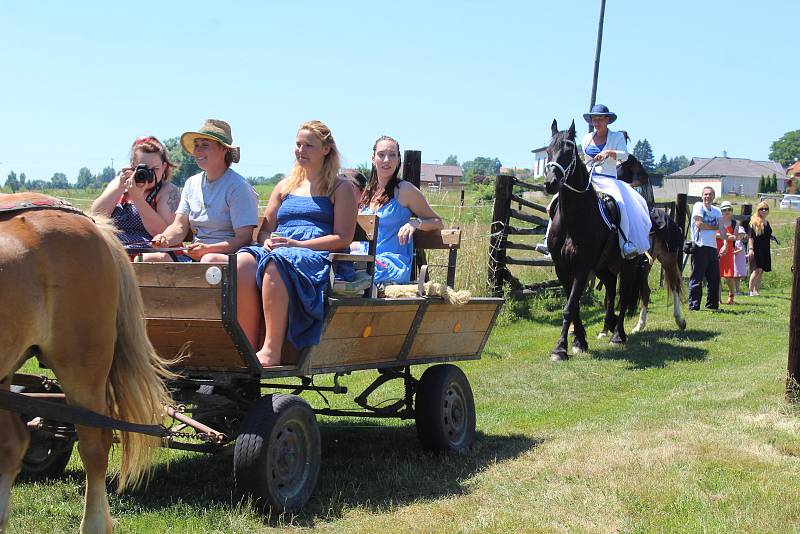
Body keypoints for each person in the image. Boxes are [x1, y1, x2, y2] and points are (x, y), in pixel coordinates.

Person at [236, 120, 357, 367]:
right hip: (282, 249)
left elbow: (343, 238)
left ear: (326, 149)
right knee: (242, 262)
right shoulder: (284, 186)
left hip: (319, 254)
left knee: (275, 263)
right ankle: (246, 344)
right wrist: (267, 241)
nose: (301, 150)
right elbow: (266, 230)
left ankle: (272, 349)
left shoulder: (340, 187)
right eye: (298, 144)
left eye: (308, 145)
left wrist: (298, 245)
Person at [150, 119, 259, 263]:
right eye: (196, 145)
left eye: (205, 145)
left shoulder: (238, 186)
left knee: (209, 260)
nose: (198, 150)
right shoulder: (191, 183)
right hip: (198, 256)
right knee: (153, 258)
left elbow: (243, 238)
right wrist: (164, 238)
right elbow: (180, 226)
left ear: (224, 149)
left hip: (229, 259)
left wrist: (208, 249)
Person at [358, 135, 443, 285]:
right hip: (366, 260)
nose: (386, 160)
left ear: (398, 160)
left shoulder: (404, 190)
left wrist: (415, 223)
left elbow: (438, 223)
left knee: (356, 269)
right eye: (381, 155)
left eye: (392, 155)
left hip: (391, 264)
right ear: (373, 158)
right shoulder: (367, 193)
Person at [580, 104, 651, 258]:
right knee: (559, 199)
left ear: (607, 120)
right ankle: (549, 240)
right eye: (594, 119)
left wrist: (609, 152)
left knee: (620, 204)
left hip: (608, 179)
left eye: (600, 119)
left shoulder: (617, 137)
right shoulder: (586, 138)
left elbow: (624, 156)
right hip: (588, 178)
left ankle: (626, 243)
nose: (597, 122)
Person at [91, 136, 180, 257]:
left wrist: (138, 199)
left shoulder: (168, 190)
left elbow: (163, 233)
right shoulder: (120, 183)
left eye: (156, 169)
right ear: (133, 166)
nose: (149, 174)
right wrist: (120, 188)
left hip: (152, 254)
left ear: (164, 167)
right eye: (143, 168)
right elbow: (96, 217)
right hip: (117, 252)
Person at [688, 186, 732, 311]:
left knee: (714, 278)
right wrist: (715, 227)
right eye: (706, 194)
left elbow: (722, 229)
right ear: (702, 196)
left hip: (712, 248)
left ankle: (712, 305)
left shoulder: (717, 211)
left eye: (710, 194)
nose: (708, 196)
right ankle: (694, 305)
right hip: (700, 246)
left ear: (714, 197)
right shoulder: (698, 206)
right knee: (697, 277)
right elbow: (699, 224)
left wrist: (725, 244)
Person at [747, 201, 773, 296]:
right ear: (758, 210)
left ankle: (756, 290)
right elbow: (751, 237)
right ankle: (750, 291)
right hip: (756, 249)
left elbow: (767, 234)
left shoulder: (767, 222)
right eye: (762, 209)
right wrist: (750, 249)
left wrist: (772, 237)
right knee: (756, 269)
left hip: (765, 249)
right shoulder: (753, 222)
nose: (764, 210)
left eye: (766, 209)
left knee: (761, 270)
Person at [716, 200, 737, 304]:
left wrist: (726, 236)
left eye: (729, 209)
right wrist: (726, 235)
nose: (727, 211)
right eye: (724, 210)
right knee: (717, 275)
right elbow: (714, 235)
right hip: (717, 250)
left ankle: (731, 295)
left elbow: (735, 238)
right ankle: (718, 298)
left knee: (729, 277)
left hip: (728, 252)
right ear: (721, 211)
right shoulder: (717, 221)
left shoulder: (734, 223)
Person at [733, 225, 748, 295]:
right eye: (739, 234)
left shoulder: (741, 242)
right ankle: (736, 291)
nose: (741, 235)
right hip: (736, 262)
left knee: (738, 277)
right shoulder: (736, 242)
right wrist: (739, 251)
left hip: (740, 261)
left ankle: (737, 291)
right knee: (736, 277)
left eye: (742, 234)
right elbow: (733, 252)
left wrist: (745, 255)